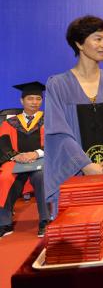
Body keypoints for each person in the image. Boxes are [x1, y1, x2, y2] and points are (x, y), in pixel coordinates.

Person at [44, 15, 103, 215]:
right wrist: (84, 164)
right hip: (76, 175)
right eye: (98, 39)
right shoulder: (58, 85)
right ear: (79, 43)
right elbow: (58, 131)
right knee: (80, 228)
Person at [0, 82, 50, 237]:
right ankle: (4, 222)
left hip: (41, 160)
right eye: (30, 98)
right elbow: (3, 144)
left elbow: (55, 142)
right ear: (22, 101)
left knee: (41, 176)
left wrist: (36, 154)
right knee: (4, 177)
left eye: (38, 99)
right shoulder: (10, 122)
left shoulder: (49, 120)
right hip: (16, 161)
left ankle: (45, 220)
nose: (34, 102)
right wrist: (16, 156)